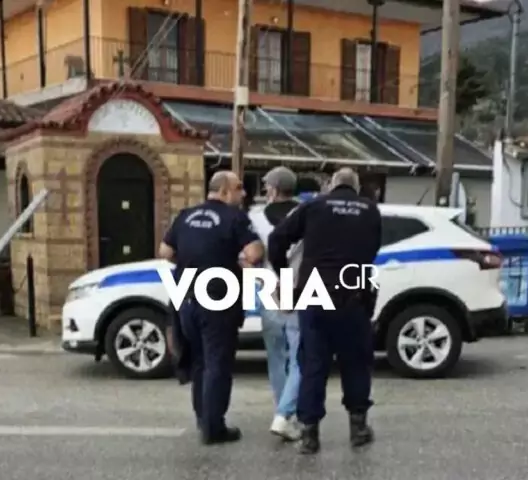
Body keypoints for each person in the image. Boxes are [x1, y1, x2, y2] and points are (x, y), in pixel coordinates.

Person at [268, 167, 382, 455]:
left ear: (332, 185)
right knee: (356, 363)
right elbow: (372, 250)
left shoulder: (314, 206)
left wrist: (285, 276)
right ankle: (358, 428)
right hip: (353, 294)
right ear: (356, 188)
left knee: (312, 365)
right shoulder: (370, 210)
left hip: (314, 293)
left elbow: (276, 239)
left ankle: (310, 435)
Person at [158, 170, 263, 445]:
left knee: (200, 362)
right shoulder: (235, 217)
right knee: (218, 363)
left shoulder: (185, 215)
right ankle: (214, 427)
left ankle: (202, 418)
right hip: (218, 298)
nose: (243, 193)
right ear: (225, 191)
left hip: (187, 298)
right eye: (239, 188)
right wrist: (237, 261)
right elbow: (254, 253)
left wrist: (192, 261)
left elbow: (165, 252)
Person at [249, 166, 303, 441]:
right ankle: (287, 413)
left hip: (269, 287)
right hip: (301, 287)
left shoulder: (256, 216)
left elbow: (250, 255)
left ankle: (282, 409)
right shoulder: (307, 213)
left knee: (276, 355)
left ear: (272, 188)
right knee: (300, 354)